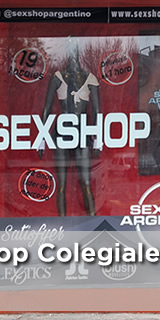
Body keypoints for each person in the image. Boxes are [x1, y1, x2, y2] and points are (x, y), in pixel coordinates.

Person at [38, 45, 101, 216]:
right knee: (62, 185)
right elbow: (46, 109)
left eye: (76, 48)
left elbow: (96, 111)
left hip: (82, 133)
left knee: (86, 183)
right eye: (70, 48)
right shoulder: (57, 77)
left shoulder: (90, 78)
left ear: (79, 51)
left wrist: (98, 138)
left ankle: (93, 221)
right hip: (62, 133)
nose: (73, 52)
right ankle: (62, 225)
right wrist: (42, 138)